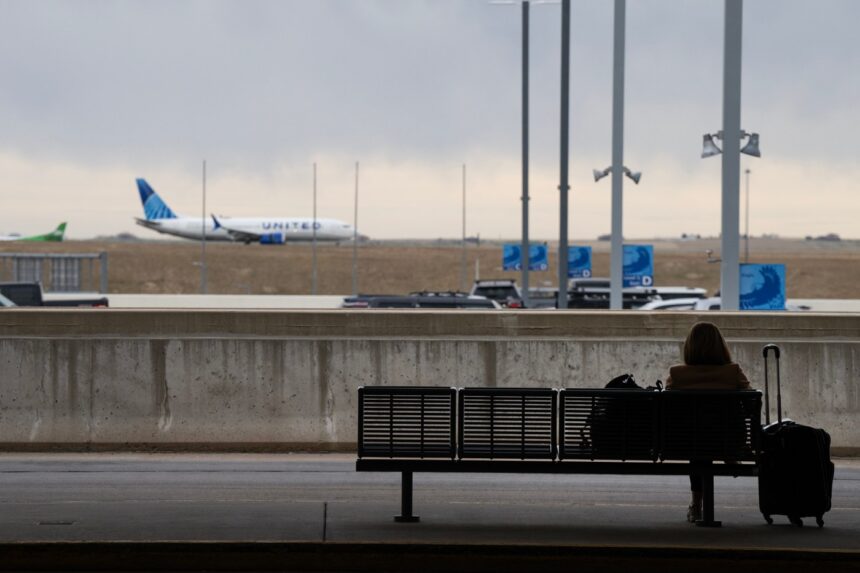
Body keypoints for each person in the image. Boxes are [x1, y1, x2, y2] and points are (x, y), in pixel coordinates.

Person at [665, 321, 750, 523]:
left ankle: (696, 505)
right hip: (726, 438)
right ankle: (729, 453)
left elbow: (667, 411)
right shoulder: (733, 372)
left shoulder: (677, 374)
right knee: (711, 432)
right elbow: (749, 407)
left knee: (698, 440)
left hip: (688, 442)